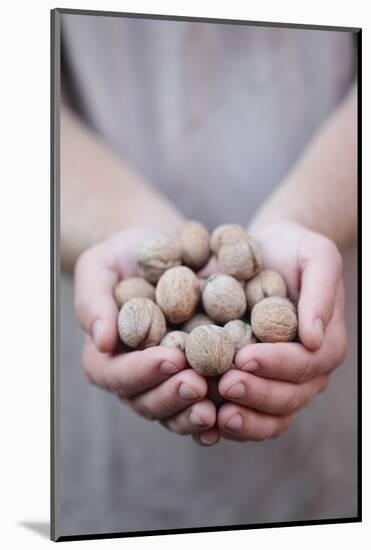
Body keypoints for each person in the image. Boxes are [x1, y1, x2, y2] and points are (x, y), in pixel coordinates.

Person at [59, 13, 358, 535]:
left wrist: (311, 216)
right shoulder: (157, 294)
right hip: (107, 461)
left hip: (333, 412)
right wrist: (121, 223)